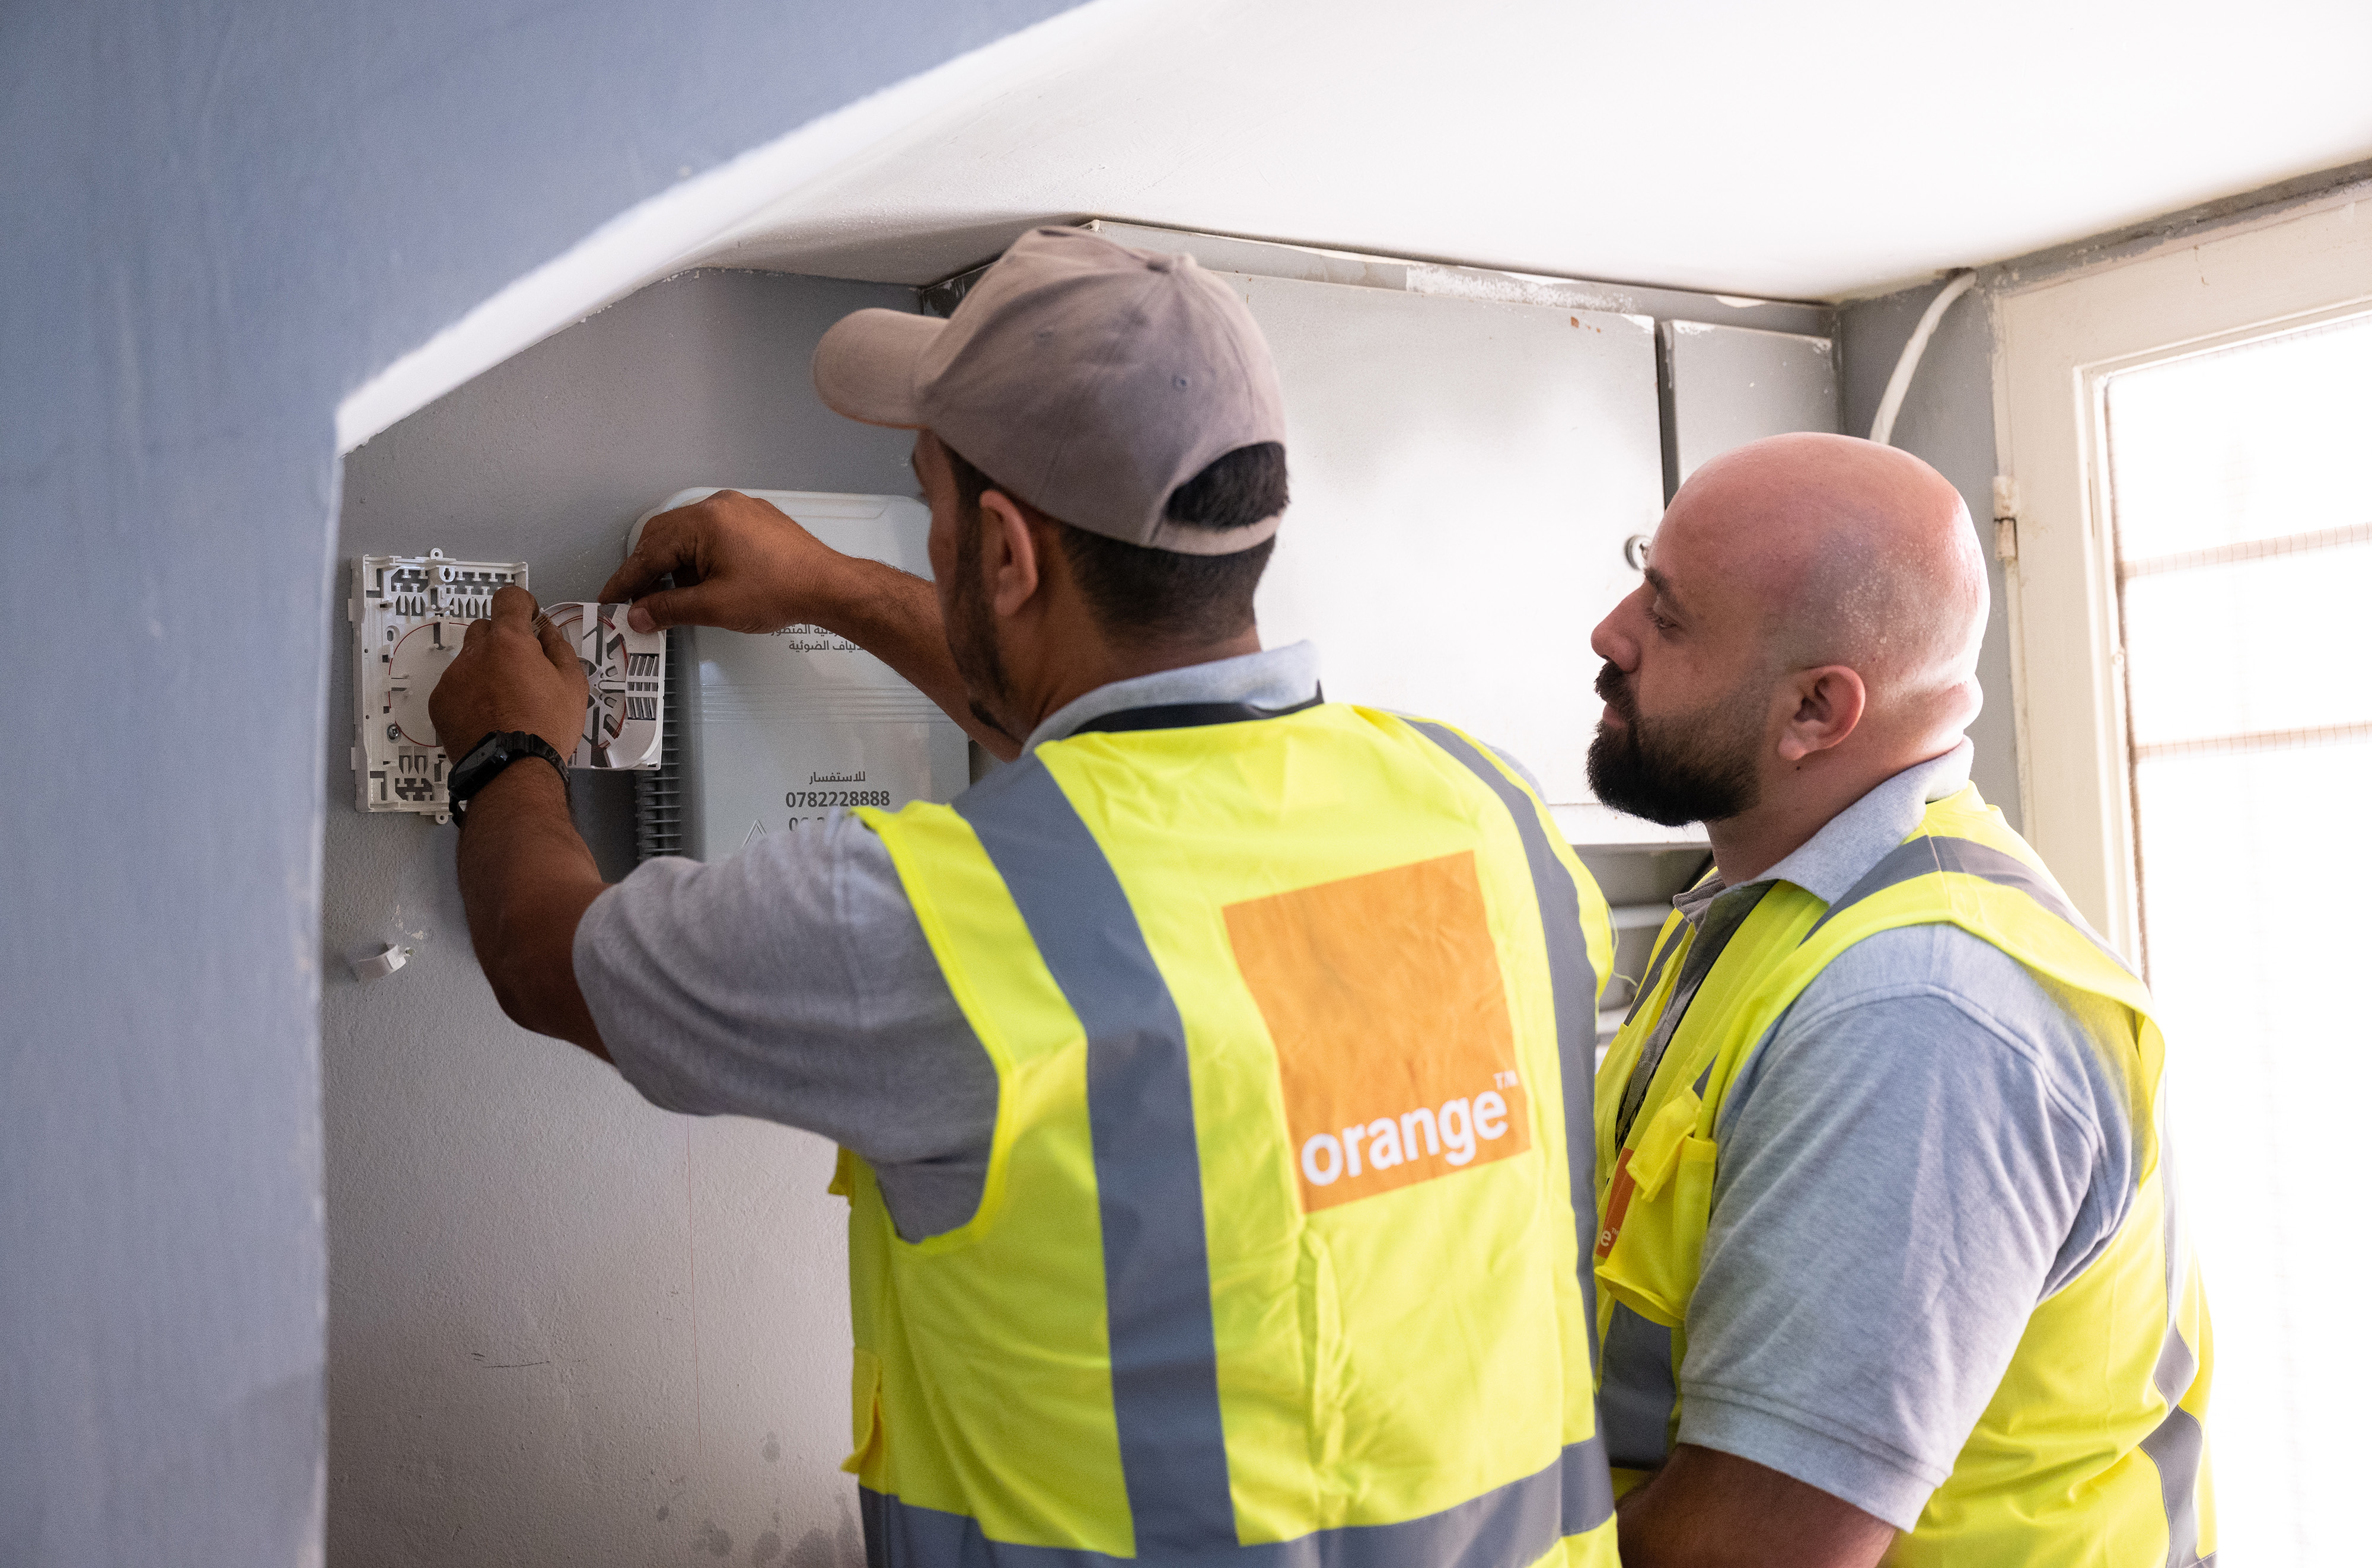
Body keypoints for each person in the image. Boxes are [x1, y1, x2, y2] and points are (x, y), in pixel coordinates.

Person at [426, 227, 1625, 1565]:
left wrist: (503, 748)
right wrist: (828, 586)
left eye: (928, 502)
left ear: (1000, 550)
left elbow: (549, 954)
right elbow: (1127, 766)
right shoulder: (1485, 812)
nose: (928, 534)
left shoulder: (934, 922)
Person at [1584, 432, 2214, 1567]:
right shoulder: (1769, 909)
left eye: (1668, 616)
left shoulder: (1916, 1011)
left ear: (1818, 711)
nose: (1611, 633)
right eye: (1643, 570)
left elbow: (1758, 1552)